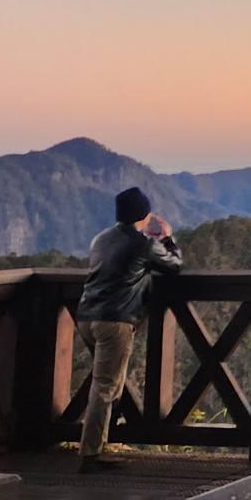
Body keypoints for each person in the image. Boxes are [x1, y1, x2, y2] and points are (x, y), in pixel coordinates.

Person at [74, 187, 182, 472]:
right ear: (143, 216)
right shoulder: (144, 244)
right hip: (115, 321)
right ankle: (91, 454)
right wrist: (167, 238)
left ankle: (101, 443)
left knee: (109, 382)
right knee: (105, 386)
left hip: (86, 316)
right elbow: (174, 266)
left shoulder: (100, 239)